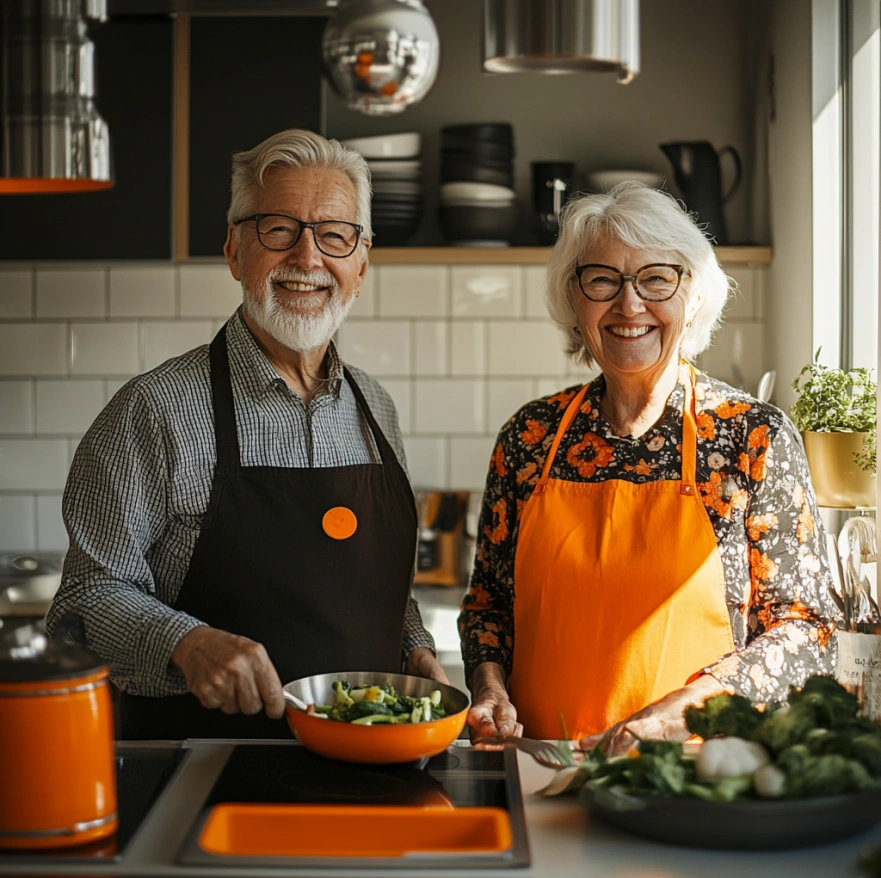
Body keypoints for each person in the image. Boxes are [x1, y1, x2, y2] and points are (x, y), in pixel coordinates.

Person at [47, 128, 446, 739]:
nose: (308, 259)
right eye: (278, 228)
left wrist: (415, 650)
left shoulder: (376, 410)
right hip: (200, 778)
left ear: (361, 265)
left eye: (334, 235)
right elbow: (84, 598)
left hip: (368, 776)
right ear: (234, 250)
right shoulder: (153, 410)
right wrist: (185, 642)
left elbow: (380, 593)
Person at [459, 182, 837, 755]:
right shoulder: (530, 437)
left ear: (692, 296)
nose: (629, 305)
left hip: (694, 771)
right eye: (603, 280)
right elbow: (488, 604)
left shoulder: (750, 438)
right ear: (574, 297)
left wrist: (673, 716)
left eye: (656, 278)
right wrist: (488, 688)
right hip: (540, 769)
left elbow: (808, 629)